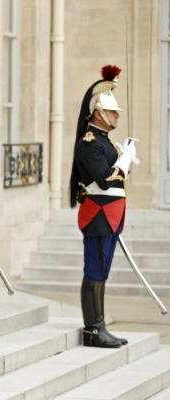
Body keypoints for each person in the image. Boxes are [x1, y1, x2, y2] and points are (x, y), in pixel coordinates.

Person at [69, 65, 138, 348]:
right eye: (112, 111)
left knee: (102, 272)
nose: (117, 115)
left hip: (109, 215)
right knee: (95, 272)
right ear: (98, 112)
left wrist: (123, 158)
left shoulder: (104, 142)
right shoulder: (89, 142)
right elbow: (106, 180)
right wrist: (124, 160)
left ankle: (100, 326)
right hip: (98, 215)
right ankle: (93, 329)